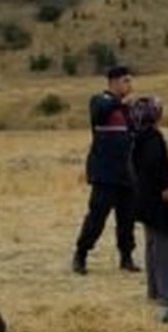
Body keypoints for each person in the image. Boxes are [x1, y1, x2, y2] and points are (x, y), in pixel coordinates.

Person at [72, 66, 139, 275]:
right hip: (105, 172)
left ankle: (126, 257)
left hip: (127, 171)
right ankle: (81, 254)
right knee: (97, 216)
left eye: (130, 81)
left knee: (127, 218)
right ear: (114, 82)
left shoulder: (128, 108)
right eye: (126, 81)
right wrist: (121, 103)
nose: (130, 86)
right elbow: (100, 114)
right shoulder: (100, 100)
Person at [129, 96, 168, 315]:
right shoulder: (152, 137)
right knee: (165, 243)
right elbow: (156, 164)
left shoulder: (137, 136)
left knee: (153, 243)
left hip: (145, 199)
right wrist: (166, 185)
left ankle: (155, 289)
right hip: (159, 199)